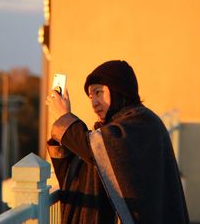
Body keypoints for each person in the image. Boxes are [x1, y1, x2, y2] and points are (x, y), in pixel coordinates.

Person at [46, 60, 189, 224]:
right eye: (91, 96)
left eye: (98, 93)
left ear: (117, 90)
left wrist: (64, 119)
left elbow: (97, 149)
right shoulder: (117, 126)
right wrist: (62, 133)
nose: (94, 103)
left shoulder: (141, 122)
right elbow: (91, 160)